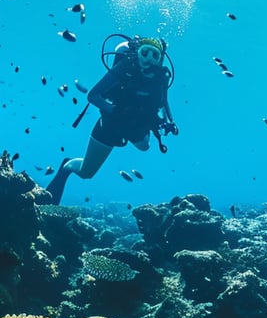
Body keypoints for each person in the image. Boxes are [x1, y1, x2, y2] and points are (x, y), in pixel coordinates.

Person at [46, 35, 177, 204]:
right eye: (145, 53)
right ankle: (67, 166)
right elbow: (93, 95)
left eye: (154, 55)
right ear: (137, 53)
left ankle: (134, 132)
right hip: (112, 123)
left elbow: (164, 101)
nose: (148, 60)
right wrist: (114, 110)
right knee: (87, 173)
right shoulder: (124, 68)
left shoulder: (161, 77)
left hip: (137, 123)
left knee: (144, 146)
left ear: (160, 59)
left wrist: (169, 121)